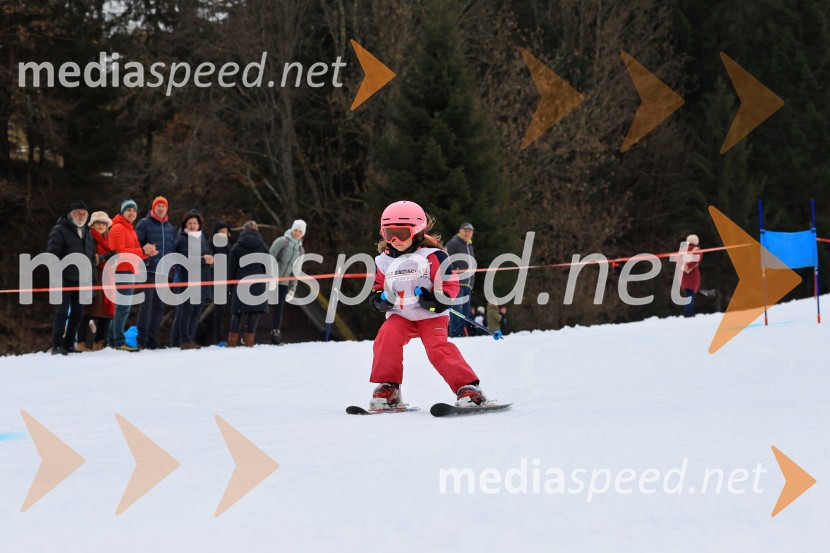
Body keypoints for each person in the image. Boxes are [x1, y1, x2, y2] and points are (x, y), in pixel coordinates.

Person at [367, 201, 492, 410]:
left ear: (417, 231)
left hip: (431, 315)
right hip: (401, 315)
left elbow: (450, 284)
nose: (395, 240)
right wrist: (379, 300)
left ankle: (469, 388)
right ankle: (389, 389)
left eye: (402, 234)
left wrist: (437, 301)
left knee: (437, 348)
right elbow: (378, 287)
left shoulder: (433, 256)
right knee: (386, 338)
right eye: (389, 234)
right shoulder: (383, 261)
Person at [47, 200, 96, 355]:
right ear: (70, 215)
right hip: (64, 279)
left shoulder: (88, 233)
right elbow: (52, 255)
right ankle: (57, 345)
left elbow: (90, 259)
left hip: (82, 281)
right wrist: (56, 277)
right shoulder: (60, 230)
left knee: (77, 314)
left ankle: (69, 344)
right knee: (62, 313)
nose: (81, 216)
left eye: (84, 214)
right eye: (78, 213)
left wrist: (91, 280)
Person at [107, 199, 157, 351]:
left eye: (134, 210)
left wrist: (147, 253)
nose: (132, 213)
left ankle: (113, 340)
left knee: (122, 308)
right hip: (120, 271)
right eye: (128, 210)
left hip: (129, 271)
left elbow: (135, 254)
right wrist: (142, 250)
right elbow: (119, 252)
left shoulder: (130, 229)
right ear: (122, 212)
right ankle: (118, 341)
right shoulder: (118, 228)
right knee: (123, 308)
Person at [135, 196, 175, 349]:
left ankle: (152, 339)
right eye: (158, 206)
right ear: (153, 208)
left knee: (158, 307)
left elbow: (171, 249)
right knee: (146, 305)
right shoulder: (144, 223)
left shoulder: (170, 228)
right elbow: (136, 244)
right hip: (149, 270)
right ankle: (141, 339)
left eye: (163, 206)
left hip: (164, 273)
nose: (161, 208)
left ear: (167, 209)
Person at [172, 210, 214, 349]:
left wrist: (210, 261)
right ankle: (184, 340)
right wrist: (204, 260)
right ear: (185, 225)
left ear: (199, 225)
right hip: (186, 281)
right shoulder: (182, 239)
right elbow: (184, 259)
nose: (192, 225)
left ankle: (190, 339)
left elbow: (208, 255)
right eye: (189, 223)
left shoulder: (201, 239)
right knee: (186, 312)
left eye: (195, 223)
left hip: (201, 280)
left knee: (196, 313)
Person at [76, 211, 116, 351]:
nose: (101, 225)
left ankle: (100, 342)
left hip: (106, 277)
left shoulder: (107, 239)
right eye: (98, 223)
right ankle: (81, 341)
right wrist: (104, 258)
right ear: (92, 224)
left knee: (105, 311)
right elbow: (87, 258)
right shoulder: (88, 237)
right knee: (88, 310)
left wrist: (113, 260)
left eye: (104, 223)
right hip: (92, 277)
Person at [227, 221, 269, 347]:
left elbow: (231, 268)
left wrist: (230, 286)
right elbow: (268, 265)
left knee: (237, 312)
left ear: (243, 230)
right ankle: (249, 341)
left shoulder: (237, 246)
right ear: (256, 229)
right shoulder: (263, 246)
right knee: (254, 312)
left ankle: (232, 342)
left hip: (241, 281)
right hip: (258, 281)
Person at [269, 219, 306, 345]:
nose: (297, 233)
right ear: (292, 229)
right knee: (262, 306)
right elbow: (270, 257)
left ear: (303, 234)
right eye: (296, 230)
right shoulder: (282, 241)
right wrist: (271, 277)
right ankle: (249, 332)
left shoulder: (301, 250)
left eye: (300, 231)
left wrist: (292, 289)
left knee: (279, 308)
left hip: (284, 283)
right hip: (272, 280)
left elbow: (296, 270)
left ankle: (275, 335)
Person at [446, 221, 476, 337]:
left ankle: (460, 334)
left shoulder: (469, 246)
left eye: (470, 231)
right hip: (456, 283)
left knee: (465, 312)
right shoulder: (454, 243)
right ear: (460, 231)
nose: (467, 233)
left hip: (468, 284)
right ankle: (453, 334)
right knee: (456, 309)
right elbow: (445, 258)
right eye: (465, 231)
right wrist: (454, 270)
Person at [210, 221, 232, 345]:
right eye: (221, 231)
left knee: (227, 311)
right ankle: (218, 339)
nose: (224, 234)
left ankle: (228, 337)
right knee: (219, 311)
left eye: (225, 231)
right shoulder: (211, 244)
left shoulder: (229, 246)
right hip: (216, 280)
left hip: (228, 281)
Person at [681, 234, 702, 317]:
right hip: (693, 275)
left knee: (688, 292)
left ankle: (689, 311)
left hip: (684, 274)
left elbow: (678, 261)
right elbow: (697, 259)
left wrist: (684, 266)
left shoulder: (682, 250)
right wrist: (689, 266)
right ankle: (688, 312)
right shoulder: (697, 250)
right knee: (690, 293)